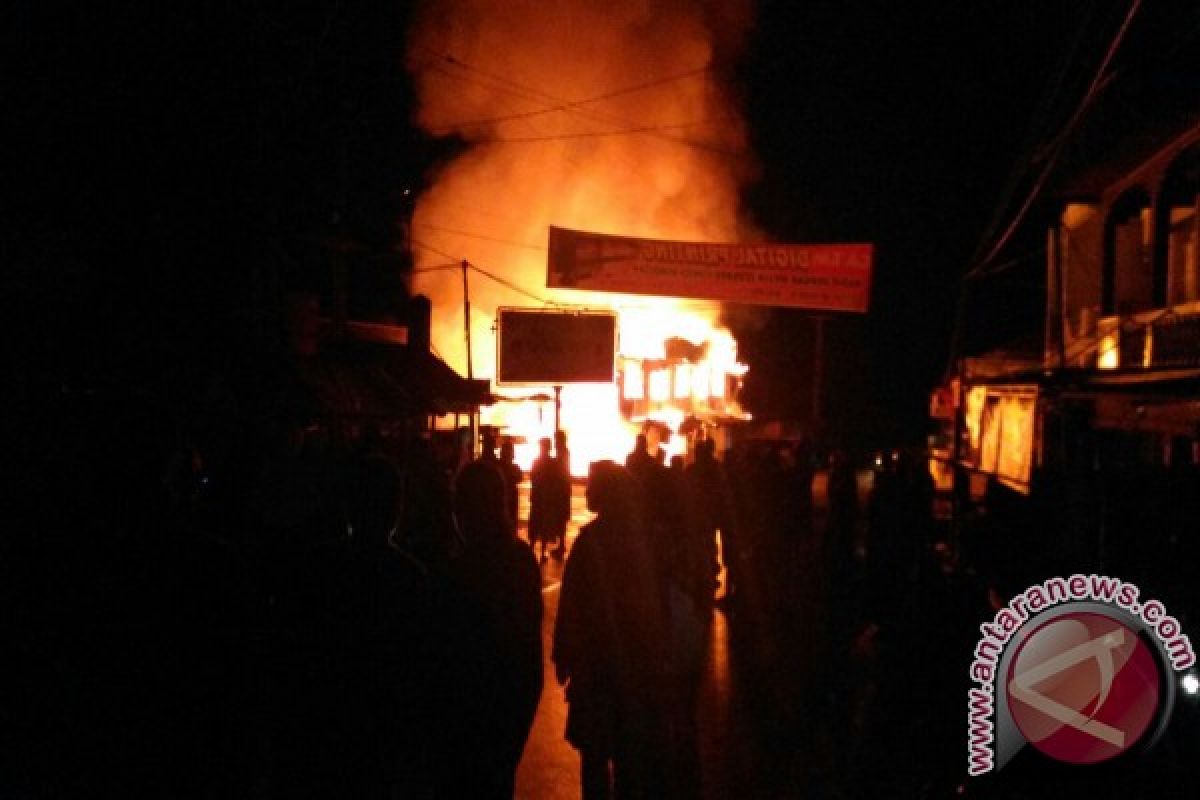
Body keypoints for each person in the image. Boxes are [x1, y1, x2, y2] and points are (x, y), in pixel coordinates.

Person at [553, 461, 668, 799]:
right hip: (633, 666)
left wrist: (565, 652)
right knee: (628, 758)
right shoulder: (642, 539)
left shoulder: (591, 541)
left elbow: (572, 600)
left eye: (592, 485)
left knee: (595, 757)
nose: (587, 490)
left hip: (599, 667)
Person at [434, 461, 543, 798]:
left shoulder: (455, 574)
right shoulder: (520, 562)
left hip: (463, 728)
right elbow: (529, 661)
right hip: (503, 722)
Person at [529, 437, 570, 562]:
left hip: (538, 496)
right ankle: (542, 552)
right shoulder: (552, 462)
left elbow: (533, 477)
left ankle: (533, 549)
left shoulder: (537, 461)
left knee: (536, 522)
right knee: (543, 523)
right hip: (546, 498)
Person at [498, 438, 523, 529]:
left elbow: (519, 477)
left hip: (508, 496)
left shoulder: (500, 466)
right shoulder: (511, 467)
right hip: (506, 495)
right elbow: (519, 478)